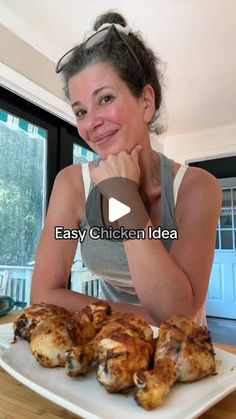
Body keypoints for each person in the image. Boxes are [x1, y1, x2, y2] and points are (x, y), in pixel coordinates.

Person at [30, 11, 222, 326]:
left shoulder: (197, 187)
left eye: (105, 98)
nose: (91, 123)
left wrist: (123, 196)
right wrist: (149, 318)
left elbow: (178, 316)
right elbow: (43, 294)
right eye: (80, 111)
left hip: (180, 358)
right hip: (111, 349)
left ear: (146, 102)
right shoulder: (73, 184)